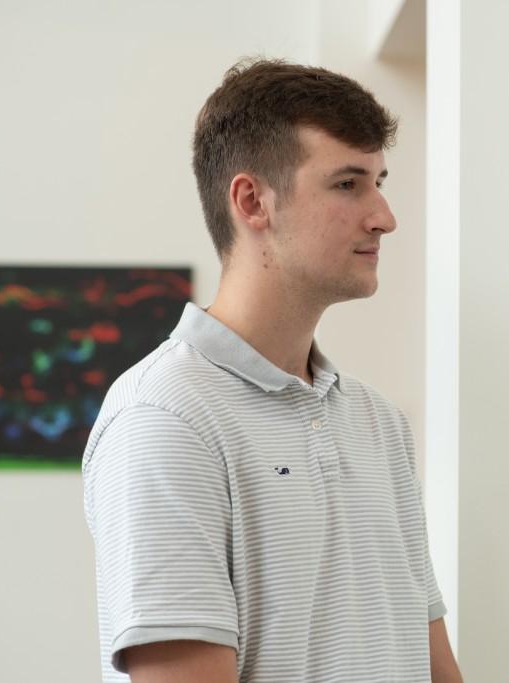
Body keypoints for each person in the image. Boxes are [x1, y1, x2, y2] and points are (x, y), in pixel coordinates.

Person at [82, 58, 462, 683]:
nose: (384, 216)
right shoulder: (165, 420)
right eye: (348, 184)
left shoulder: (379, 424)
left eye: (379, 181)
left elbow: (431, 664)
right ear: (252, 200)